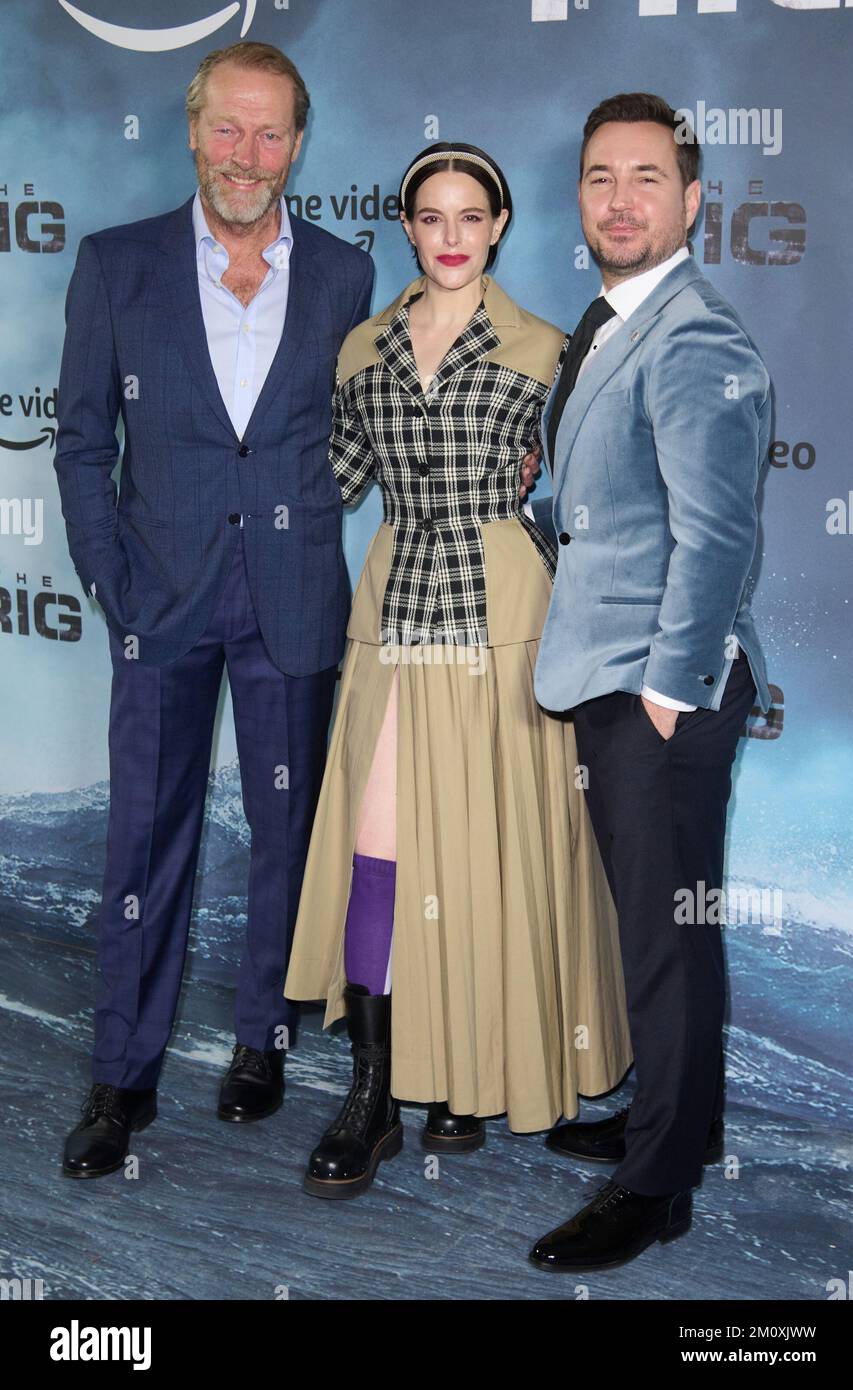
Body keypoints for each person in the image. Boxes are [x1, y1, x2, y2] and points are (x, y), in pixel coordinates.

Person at [284, 142, 632, 1199]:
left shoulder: (540, 350)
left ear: (497, 225)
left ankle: (465, 1083)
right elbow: (329, 480)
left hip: (504, 609)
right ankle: (375, 1093)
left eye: (467, 216)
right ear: (406, 226)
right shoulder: (359, 351)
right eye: (429, 216)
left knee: (488, 850)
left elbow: (585, 497)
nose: (448, 235)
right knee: (379, 848)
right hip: (397, 607)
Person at [54, 41, 373, 1179]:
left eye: (271, 132)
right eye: (228, 129)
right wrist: (109, 578)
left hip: (291, 601)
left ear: (298, 143)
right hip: (160, 600)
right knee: (143, 837)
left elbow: (355, 435)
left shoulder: (343, 274)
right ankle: (120, 1075)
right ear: (193, 131)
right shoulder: (116, 263)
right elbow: (85, 439)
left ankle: (261, 1040)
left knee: (287, 836)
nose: (248, 155)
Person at [527, 93, 773, 1271]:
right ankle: (677, 1119)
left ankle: (655, 1186)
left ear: (686, 200)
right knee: (665, 930)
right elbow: (607, 501)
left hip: (655, 690)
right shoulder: (614, 318)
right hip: (613, 678)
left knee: (664, 940)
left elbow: (718, 536)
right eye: (596, 178)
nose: (617, 199)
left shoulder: (693, 336)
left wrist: (669, 689)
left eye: (643, 177)